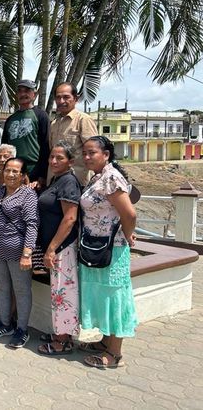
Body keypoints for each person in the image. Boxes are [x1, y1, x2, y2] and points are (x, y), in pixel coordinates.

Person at [78, 136, 138, 369]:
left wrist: (128, 234)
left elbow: (129, 214)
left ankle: (115, 353)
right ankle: (105, 341)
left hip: (113, 248)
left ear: (106, 154)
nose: (86, 157)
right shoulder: (98, 177)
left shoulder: (111, 177)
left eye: (92, 152)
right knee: (103, 294)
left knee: (114, 296)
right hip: (96, 246)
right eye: (84, 152)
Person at [0, 157, 39, 349]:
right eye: (7, 170)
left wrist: (27, 254)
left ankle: (22, 330)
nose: (10, 174)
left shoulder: (28, 195)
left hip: (18, 253)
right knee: (2, 288)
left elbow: (32, 225)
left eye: (15, 171)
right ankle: (5, 324)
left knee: (21, 291)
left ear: (23, 175)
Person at [36, 141, 81, 355]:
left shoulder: (69, 182)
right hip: (56, 247)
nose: (53, 161)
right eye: (51, 157)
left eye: (59, 158)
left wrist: (52, 249)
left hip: (63, 248)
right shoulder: (57, 179)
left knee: (63, 293)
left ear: (70, 161)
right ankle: (61, 333)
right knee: (58, 292)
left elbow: (70, 218)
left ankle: (63, 341)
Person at [2, 80, 50, 189]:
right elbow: (4, 147)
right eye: (19, 91)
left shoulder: (41, 115)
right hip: (14, 171)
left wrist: (42, 175)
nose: (23, 94)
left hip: (34, 171)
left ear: (34, 94)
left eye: (27, 91)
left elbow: (46, 146)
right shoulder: (10, 119)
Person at [48, 82, 98, 186]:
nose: (61, 101)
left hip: (78, 182)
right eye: (58, 97)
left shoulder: (83, 120)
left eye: (66, 97)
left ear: (76, 98)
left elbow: (94, 152)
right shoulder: (54, 124)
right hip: (55, 182)